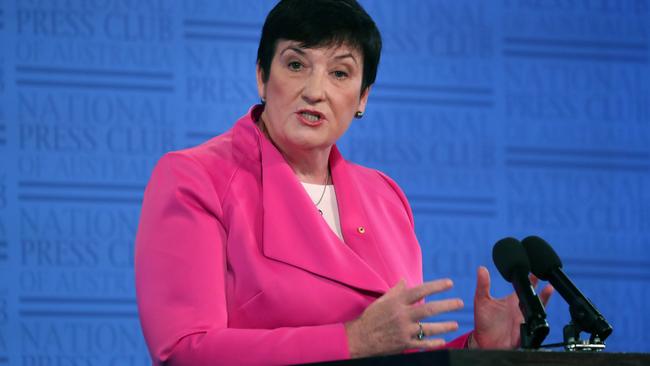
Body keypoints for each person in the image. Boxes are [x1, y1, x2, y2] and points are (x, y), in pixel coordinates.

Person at [135, 0, 553, 364]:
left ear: (363, 97)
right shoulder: (195, 178)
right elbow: (184, 350)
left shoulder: (385, 198)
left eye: (340, 73)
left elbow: (399, 355)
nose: (315, 91)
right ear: (262, 76)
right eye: (296, 64)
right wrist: (350, 340)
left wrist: (478, 349)